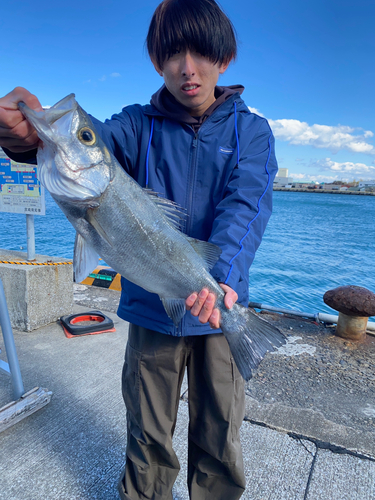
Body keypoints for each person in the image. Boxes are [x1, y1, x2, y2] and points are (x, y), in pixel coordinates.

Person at [0, 0, 278, 498]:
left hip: (220, 305)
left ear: (225, 58)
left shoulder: (250, 132)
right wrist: (22, 138)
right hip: (152, 312)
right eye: (172, 54)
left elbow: (247, 209)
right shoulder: (135, 125)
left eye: (200, 53)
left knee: (219, 440)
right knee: (147, 438)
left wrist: (225, 283)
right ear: (156, 61)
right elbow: (91, 146)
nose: (186, 68)